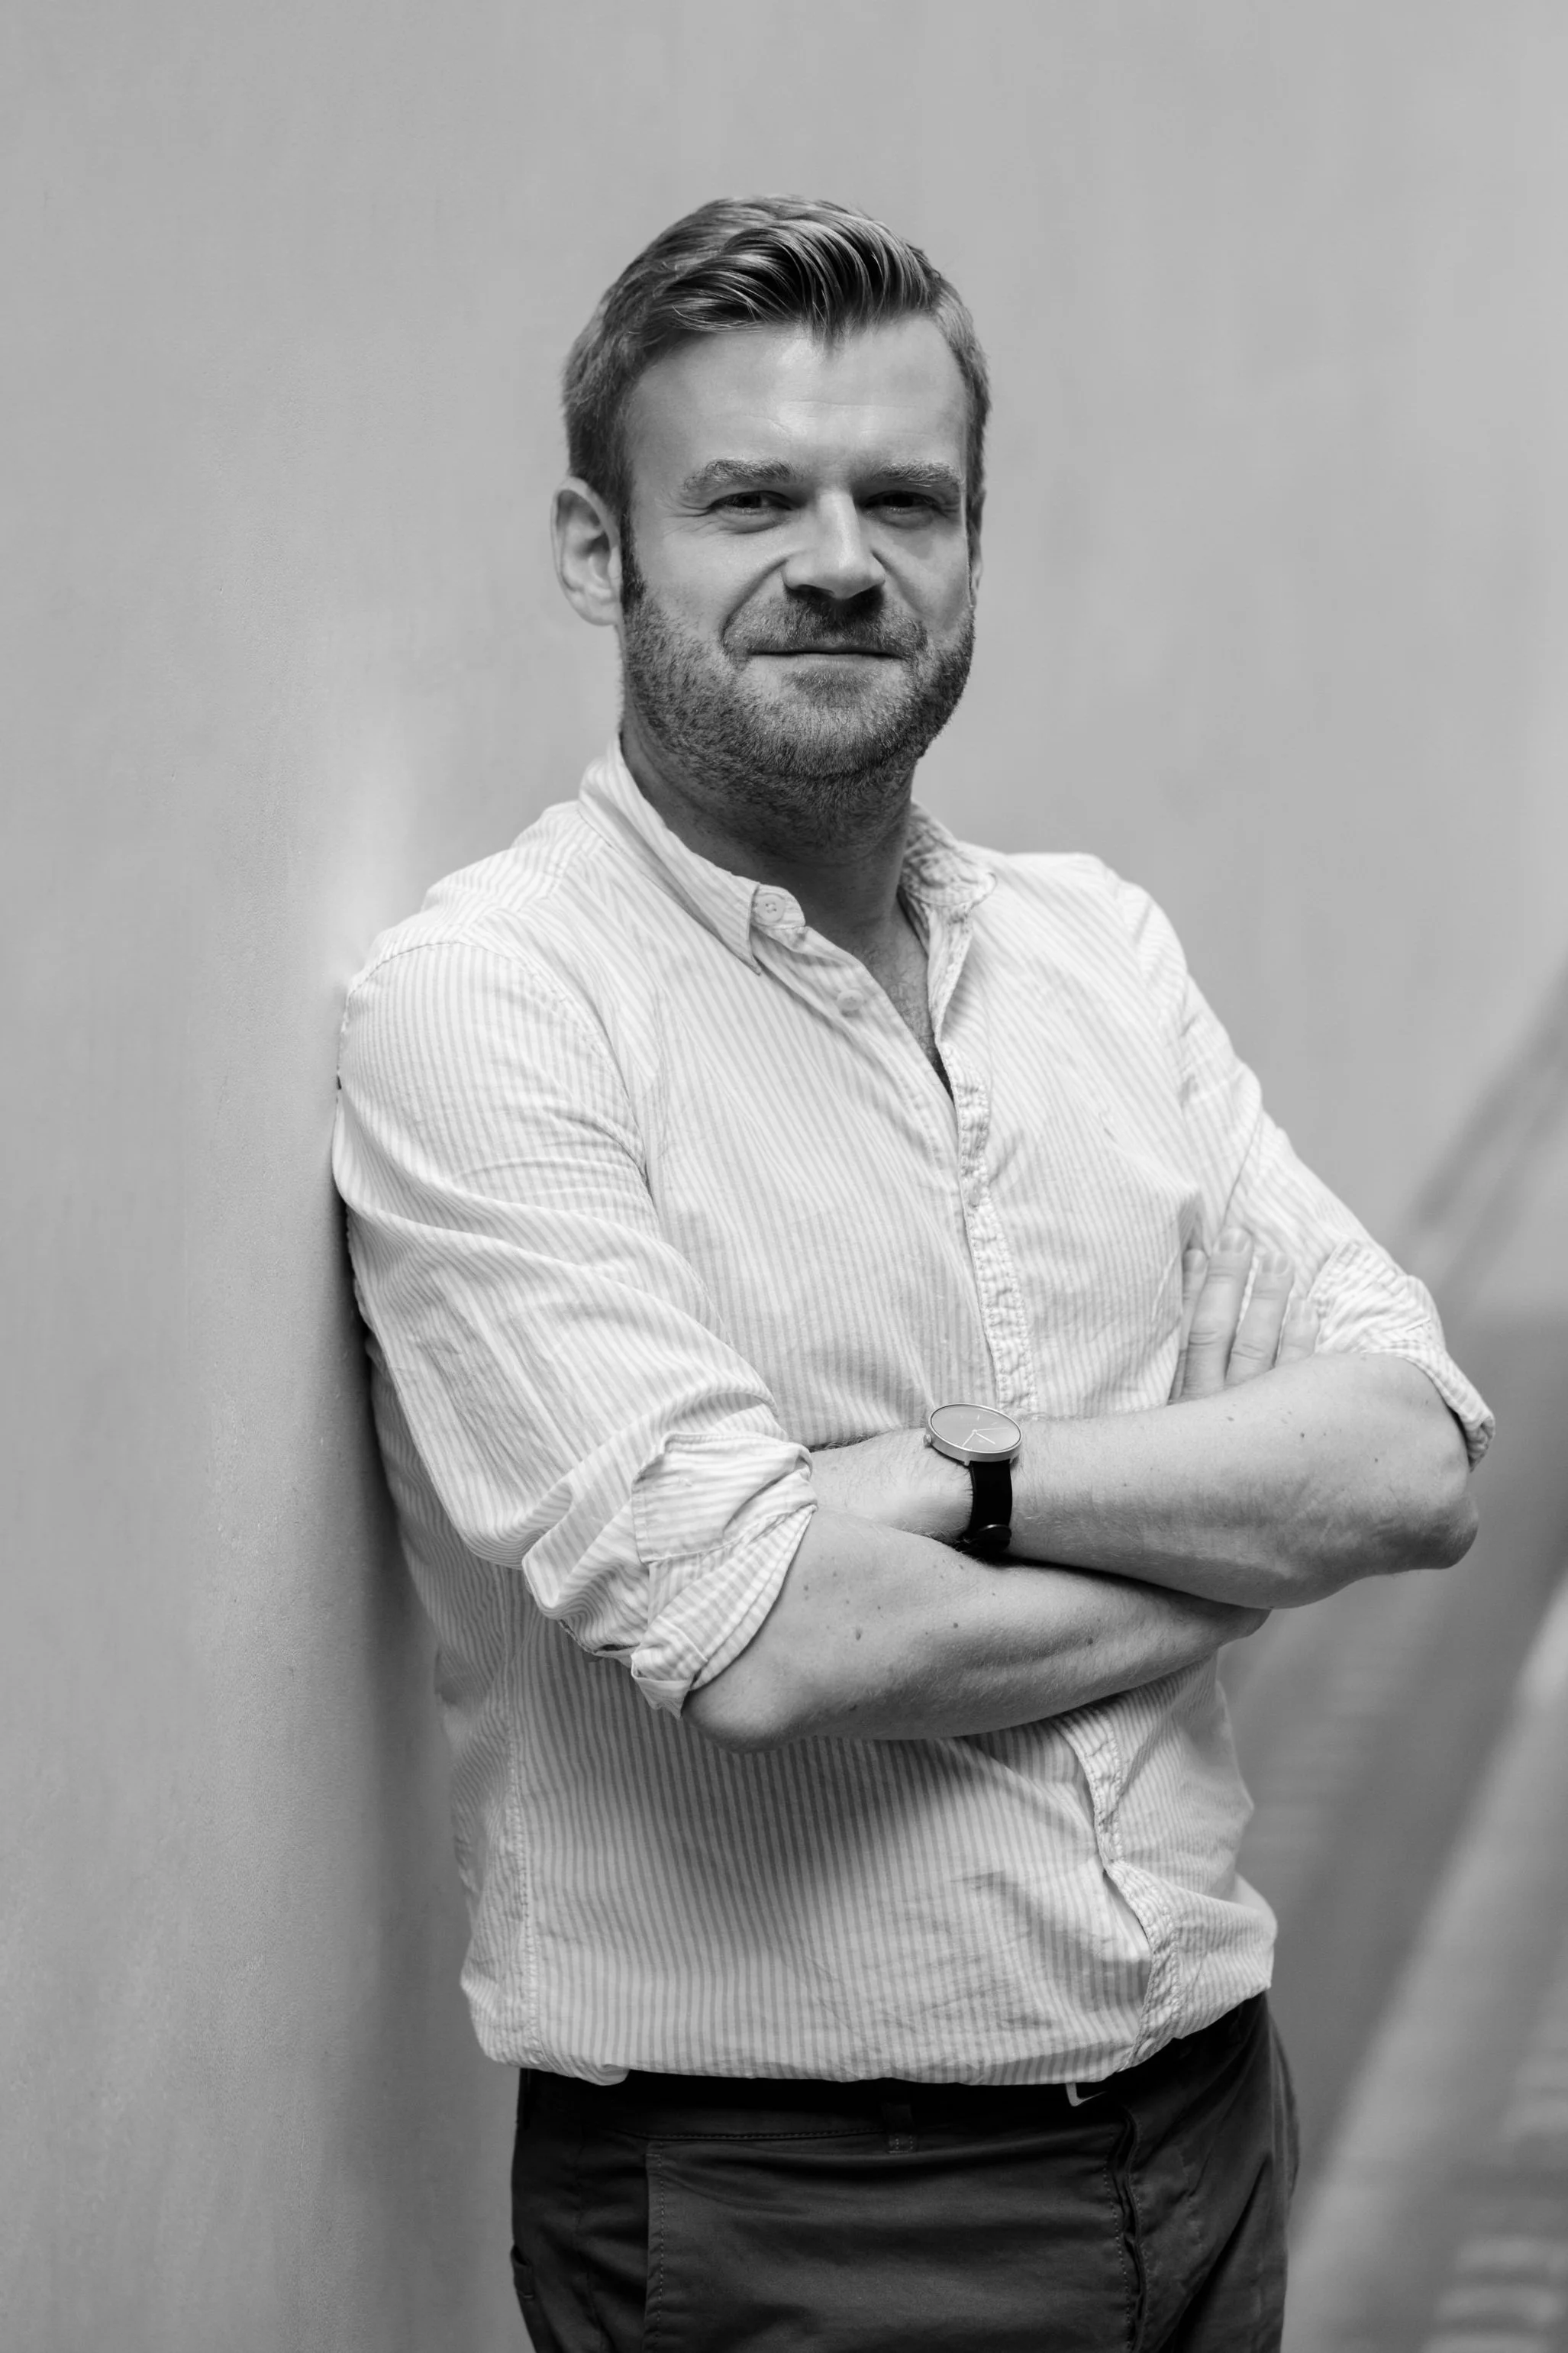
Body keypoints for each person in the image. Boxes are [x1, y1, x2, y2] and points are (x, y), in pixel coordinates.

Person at [332, 195, 1491, 2352]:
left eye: (907, 499)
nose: (843, 561)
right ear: (596, 549)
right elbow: (769, 1639)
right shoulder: (495, 1007)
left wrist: (955, 1480)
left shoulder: (1093, 950)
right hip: (794, 2212)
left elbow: (1413, 1458)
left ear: (972, 544)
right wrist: (1231, 1554)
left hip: (1207, 2116)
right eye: (749, 499)